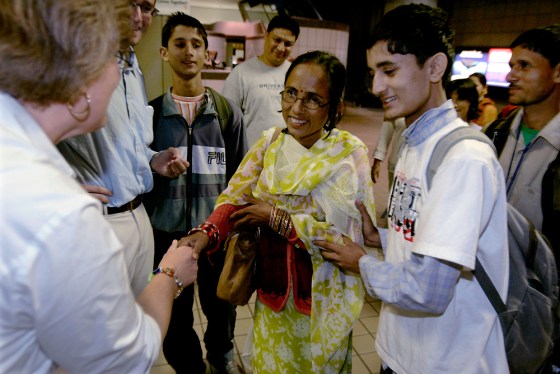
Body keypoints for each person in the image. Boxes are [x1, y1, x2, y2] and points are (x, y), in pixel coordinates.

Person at [0, 1, 198, 373]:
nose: (123, 68)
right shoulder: (58, 212)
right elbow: (125, 357)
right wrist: (170, 274)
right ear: (81, 77)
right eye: (115, 58)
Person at [317, 4, 509, 373]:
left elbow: (429, 290)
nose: (376, 87)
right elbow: (431, 241)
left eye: (389, 70)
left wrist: (361, 264)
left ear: (435, 67)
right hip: (402, 351)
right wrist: (383, 239)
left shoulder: (464, 158)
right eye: (374, 73)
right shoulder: (413, 142)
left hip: (446, 361)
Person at [180, 50, 379, 373]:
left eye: (313, 99)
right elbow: (235, 197)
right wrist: (205, 234)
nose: (296, 109)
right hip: (272, 297)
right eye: (291, 93)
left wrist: (276, 218)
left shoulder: (347, 154)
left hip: (320, 303)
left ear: (335, 106)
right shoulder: (270, 142)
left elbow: (347, 240)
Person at [57, 0, 189, 297]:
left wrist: (153, 158)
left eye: (148, 9)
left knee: (139, 323)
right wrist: (53, 188)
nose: (140, 17)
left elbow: (130, 140)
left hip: (139, 217)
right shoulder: (69, 57)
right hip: (99, 222)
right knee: (101, 335)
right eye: (134, 4)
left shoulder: (131, 64)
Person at [146, 12, 248, 374]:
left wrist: (227, 226)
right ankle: (190, 369)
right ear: (163, 52)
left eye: (197, 44)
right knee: (174, 319)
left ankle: (221, 362)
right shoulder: (151, 115)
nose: (189, 51)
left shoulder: (225, 113)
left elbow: (239, 178)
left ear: (207, 54)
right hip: (167, 239)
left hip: (214, 236)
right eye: (179, 44)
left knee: (221, 310)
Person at [221, 15, 300, 146]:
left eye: (288, 44)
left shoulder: (296, 74)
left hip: (287, 156)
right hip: (252, 158)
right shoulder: (240, 74)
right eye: (277, 40)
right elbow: (226, 120)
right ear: (266, 35)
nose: (281, 48)